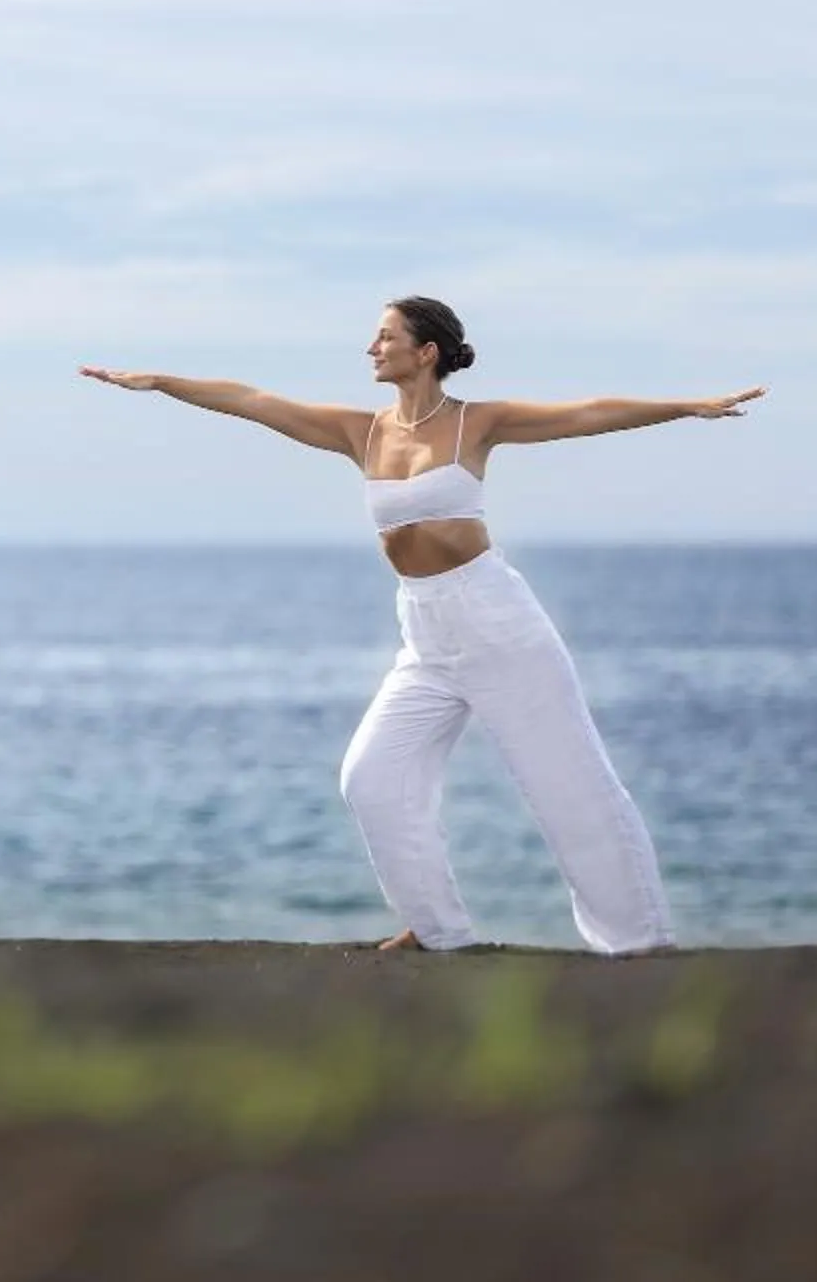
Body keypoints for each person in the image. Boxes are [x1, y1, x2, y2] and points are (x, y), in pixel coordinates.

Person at [79, 297, 764, 954]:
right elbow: (255, 402)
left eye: (386, 337)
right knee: (372, 777)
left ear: (426, 351)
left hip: (497, 622)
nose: (371, 347)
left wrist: (686, 407)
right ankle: (437, 929)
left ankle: (639, 940)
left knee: (570, 786)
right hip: (426, 631)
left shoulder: (478, 422)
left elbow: (587, 413)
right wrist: (162, 382)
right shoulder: (363, 432)